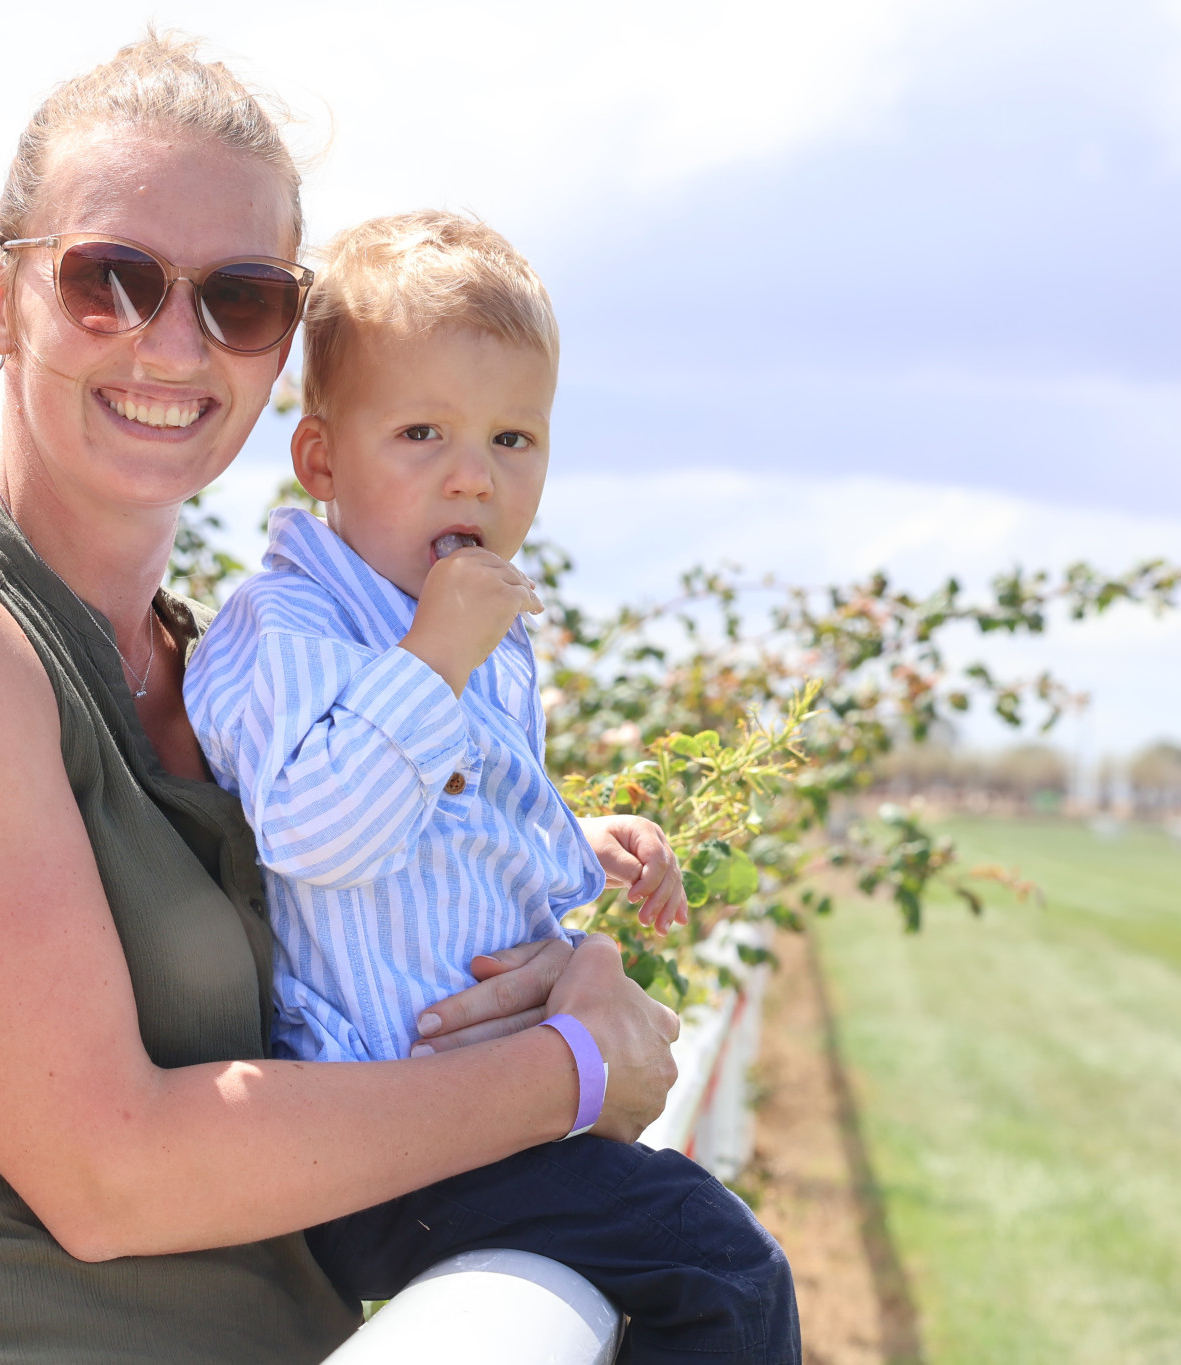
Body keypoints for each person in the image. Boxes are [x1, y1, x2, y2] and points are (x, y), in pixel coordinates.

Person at [0, 32, 680, 1364]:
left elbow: (368, 981)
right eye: (109, 278)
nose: (173, 343)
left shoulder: (227, 667)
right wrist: (573, 1068)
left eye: (240, 299)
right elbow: (112, 1172)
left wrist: (560, 959)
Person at [182, 212, 800, 1362]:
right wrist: (433, 659)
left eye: (515, 439)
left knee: (690, 1256)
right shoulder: (295, 624)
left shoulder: (473, 633)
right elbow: (317, 832)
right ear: (321, 460)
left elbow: (451, 834)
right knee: (720, 1268)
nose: (473, 474)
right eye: (422, 432)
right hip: (380, 1144)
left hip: (487, 1120)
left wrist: (576, 836)